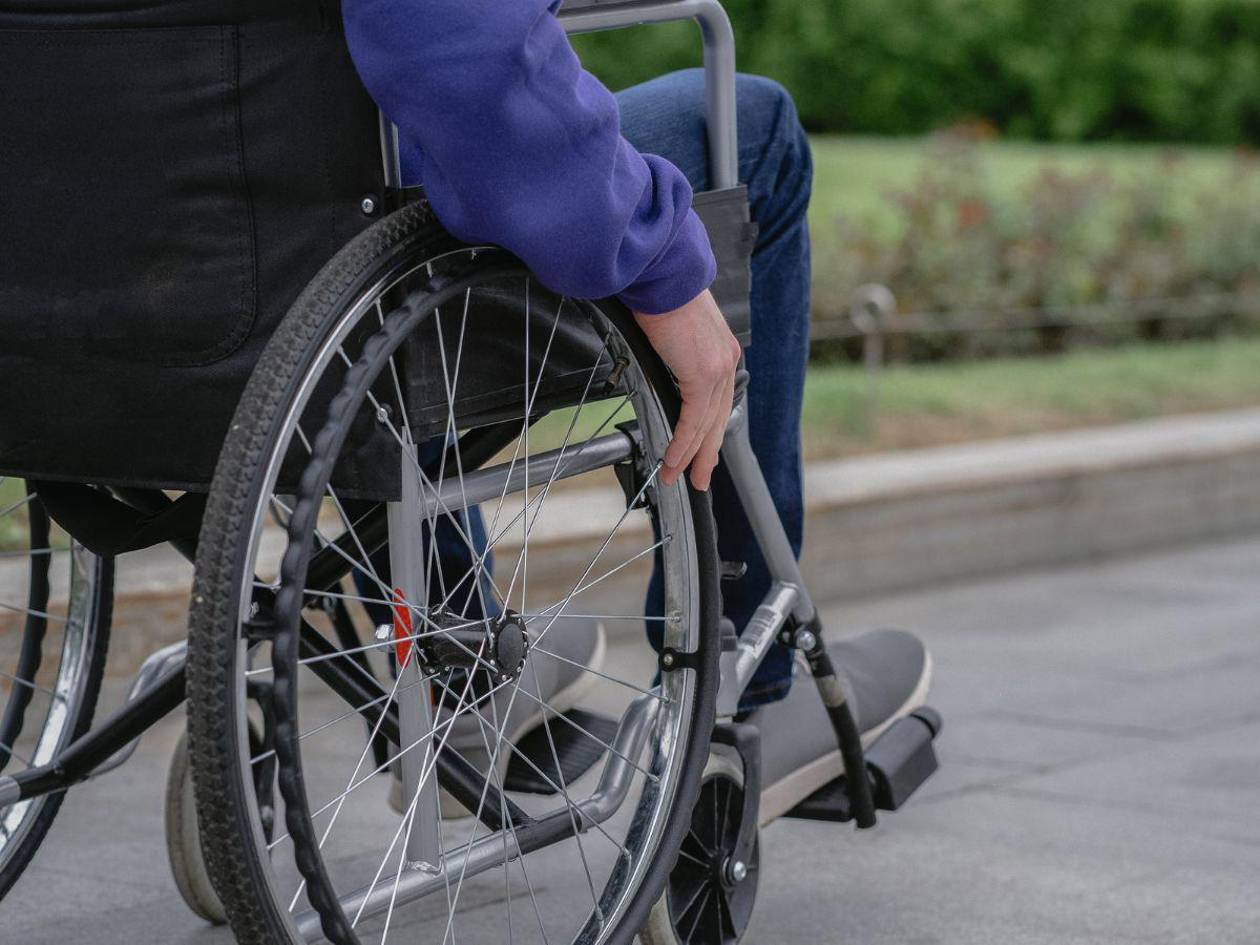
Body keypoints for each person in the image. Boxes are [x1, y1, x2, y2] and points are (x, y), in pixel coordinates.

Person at [343, 1, 931, 798]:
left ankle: (463, 664)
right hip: (391, 235)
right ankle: (748, 689)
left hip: (204, 287)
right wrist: (654, 254)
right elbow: (457, 49)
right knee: (759, 127)